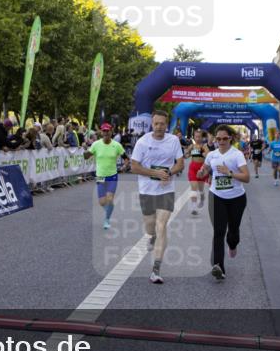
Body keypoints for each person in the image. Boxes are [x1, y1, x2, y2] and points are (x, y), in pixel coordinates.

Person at [130, 110, 185, 284]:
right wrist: (155, 172)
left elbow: (180, 163)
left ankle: (156, 269)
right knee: (150, 227)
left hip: (166, 190)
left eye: (162, 123)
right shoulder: (143, 141)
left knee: (162, 226)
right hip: (146, 190)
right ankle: (151, 236)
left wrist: (168, 172)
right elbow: (134, 167)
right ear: (152, 125)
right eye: (156, 124)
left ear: (166, 125)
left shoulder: (173, 140)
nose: (159, 127)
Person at [196, 125, 250, 280]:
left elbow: (246, 177)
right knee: (218, 231)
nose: (221, 141)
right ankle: (218, 266)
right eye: (218, 139)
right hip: (216, 196)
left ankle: (232, 244)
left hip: (237, 198)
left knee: (233, 231)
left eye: (224, 138)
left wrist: (230, 173)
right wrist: (202, 172)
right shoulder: (211, 155)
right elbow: (205, 169)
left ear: (230, 138)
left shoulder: (237, 154)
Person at [84, 123, 129, 229]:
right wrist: (85, 149)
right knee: (102, 202)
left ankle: (107, 219)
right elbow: (86, 157)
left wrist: (124, 167)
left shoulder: (116, 145)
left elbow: (126, 158)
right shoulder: (96, 144)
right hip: (100, 176)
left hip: (112, 176)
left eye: (107, 131)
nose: (106, 133)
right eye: (104, 131)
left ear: (111, 132)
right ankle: (109, 211)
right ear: (101, 132)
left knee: (109, 199)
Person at [185, 128, 210, 215]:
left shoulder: (204, 146)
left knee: (200, 189)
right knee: (194, 187)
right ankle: (194, 207)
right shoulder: (192, 146)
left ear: (202, 138)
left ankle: (202, 197)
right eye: (196, 136)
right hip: (192, 167)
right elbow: (187, 155)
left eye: (199, 137)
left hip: (201, 169)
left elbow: (208, 155)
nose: (198, 138)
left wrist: (203, 153)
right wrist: (187, 154)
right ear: (194, 137)